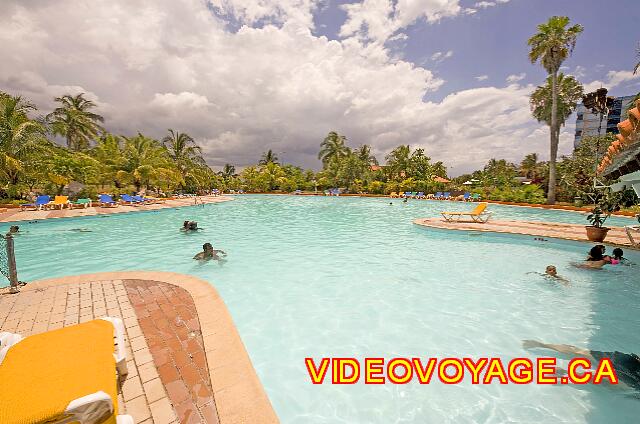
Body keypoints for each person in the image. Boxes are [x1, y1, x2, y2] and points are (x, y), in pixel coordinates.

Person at [523, 340, 640, 391]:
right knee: (608, 380)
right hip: (634, 377)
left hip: (629, 359)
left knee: (580, 351)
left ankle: (541, 344)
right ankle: (565, 372)